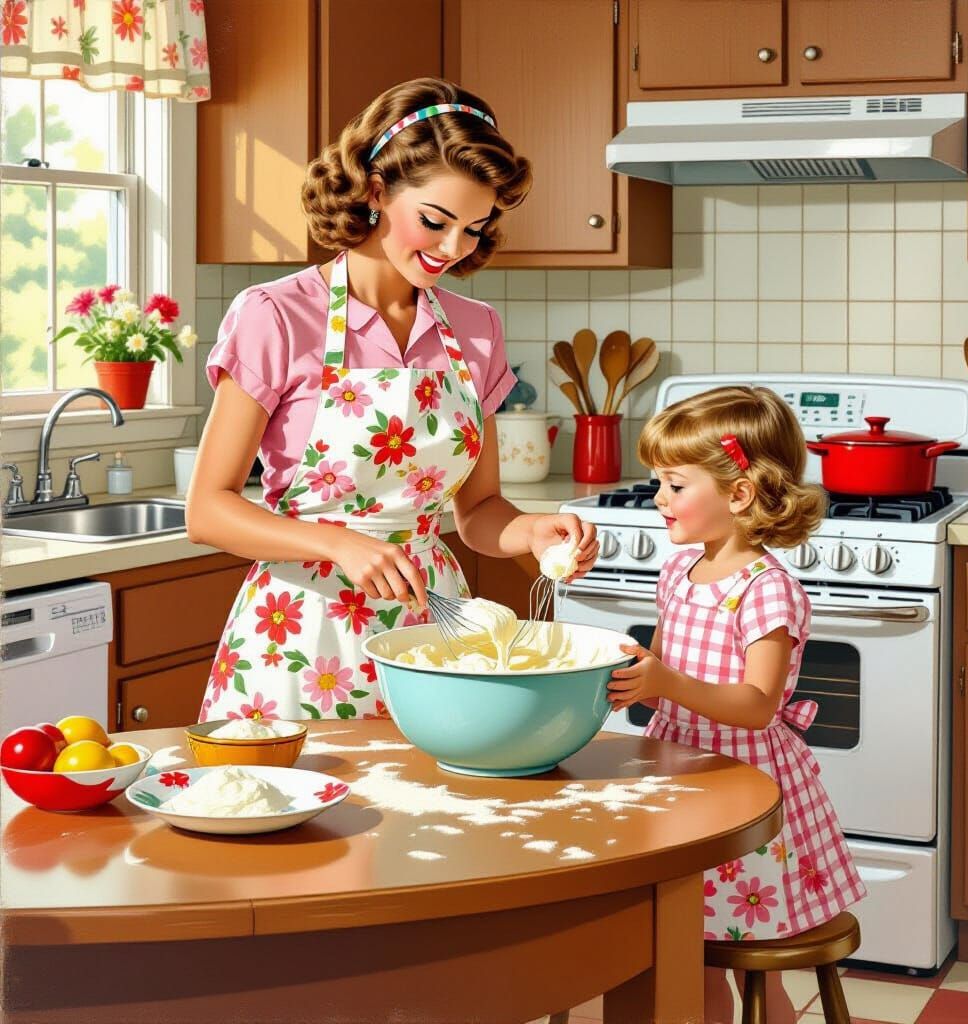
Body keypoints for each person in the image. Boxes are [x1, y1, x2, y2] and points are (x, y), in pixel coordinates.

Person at [186, 78, 598, 723]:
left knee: (434, 816)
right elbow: (207, 510)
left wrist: (530, 532)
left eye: (474, 228)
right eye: (434, 221)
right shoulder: (275, 315)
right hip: (300, 630)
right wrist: (339, 544)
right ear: (376, 190)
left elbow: (480, 509)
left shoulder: (476, 327)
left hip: (435, 632)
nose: (453, 249)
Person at [607, 386, 866, 1024]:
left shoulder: (766, 590)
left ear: (738, 494)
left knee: (730, 954)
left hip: (741, 787)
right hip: (679, 772)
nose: (657, 499)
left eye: (672, 484)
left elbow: (756, 706)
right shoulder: (678, 570)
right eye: (655, 483)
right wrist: (633, 671)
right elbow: (667, 666)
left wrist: (664, 682)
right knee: (685, 952)